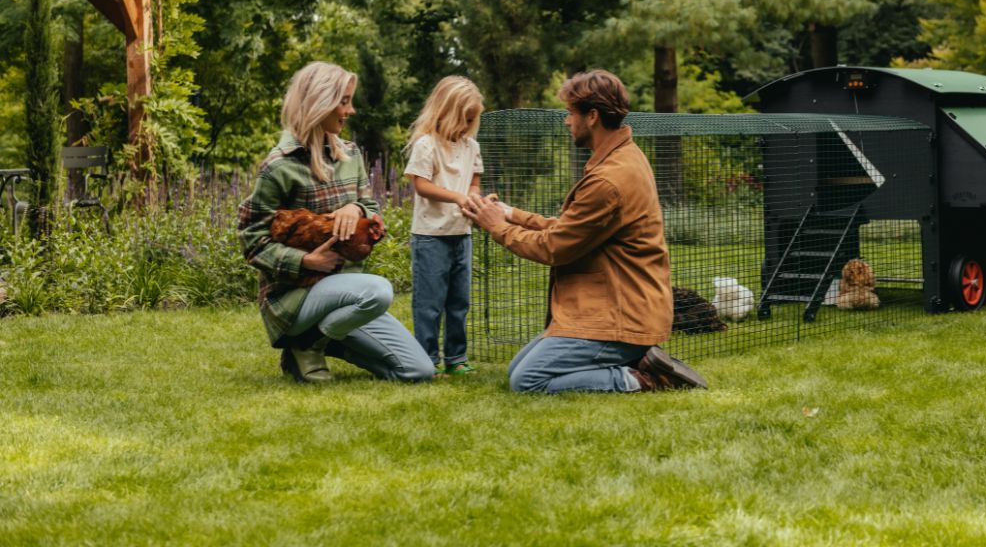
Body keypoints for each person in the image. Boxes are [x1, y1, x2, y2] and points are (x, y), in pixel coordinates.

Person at [462, 69, 706, 393]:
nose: (567, 121)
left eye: (570, 113)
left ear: (592, 116)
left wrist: (497, 226)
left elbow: (554, 247)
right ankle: (638, 360)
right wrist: (512, 214)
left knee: (528, 380)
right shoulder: (623, 157)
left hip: (622, 316)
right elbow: (573, 229)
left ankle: (642, 378)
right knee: (516, 368)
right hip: (620, 307)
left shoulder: (609, 180)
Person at [237, 61, 435, 384]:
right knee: (379, 291)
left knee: (418, 371)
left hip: (347, 292)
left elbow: (371, 207)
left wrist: (355, 209)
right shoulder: (279, 166)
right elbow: (252, 238)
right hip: (295, 298)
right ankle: (305, 339)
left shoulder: (351, 155)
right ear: (320, 102)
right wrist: (305, 261)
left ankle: (320, 341)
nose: (351, 110)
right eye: (344, 101)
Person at [404, 76, 485, 377]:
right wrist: (457, 197)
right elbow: (422, 185)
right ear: (445, 111)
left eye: (471, 120)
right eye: (464, 118)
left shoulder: (471, 147)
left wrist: (473, 199)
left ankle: (456, 357)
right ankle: (427, 359)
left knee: (459, 301)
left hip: (461, 234)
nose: (467, 125)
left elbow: (474, 182)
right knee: (429, 303)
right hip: (431, 236)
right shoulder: (426, 145)